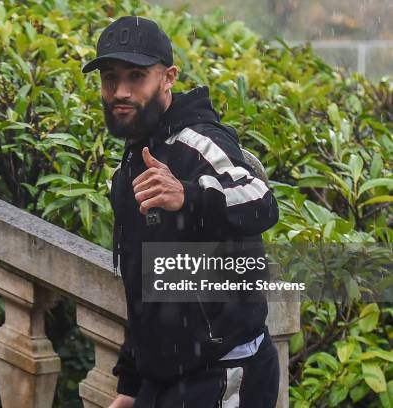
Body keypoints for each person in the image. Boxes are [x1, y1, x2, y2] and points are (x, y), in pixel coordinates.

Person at [82, 16, 281, 408]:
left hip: (224, 374)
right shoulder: (128, 170)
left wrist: (190, 197)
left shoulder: (200, 142)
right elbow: (145, 286)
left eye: (136, 76)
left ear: (169, 77)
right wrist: (131, 382)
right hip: (165, 381)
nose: (120, 91)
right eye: (110, 78)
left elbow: (261, 200)